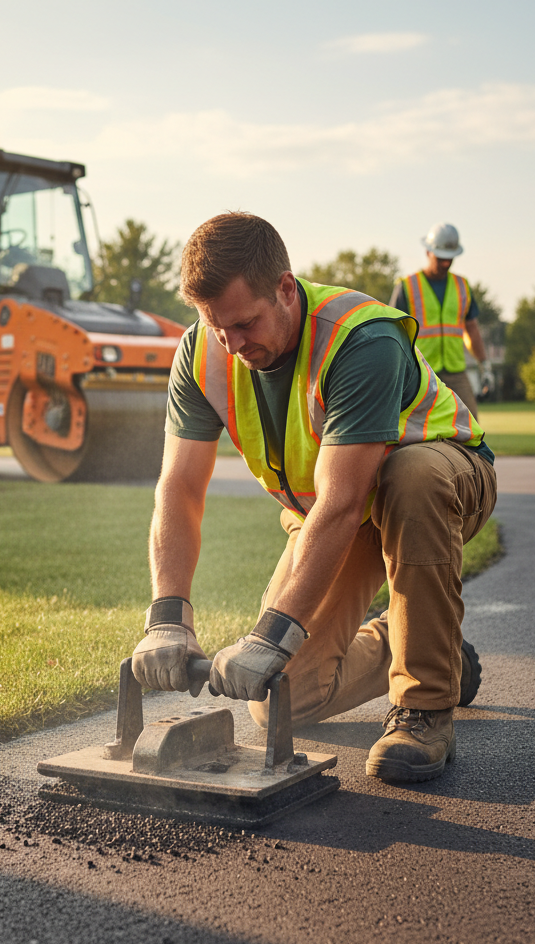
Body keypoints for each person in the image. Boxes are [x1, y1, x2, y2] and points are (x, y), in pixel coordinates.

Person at [131, 213, 497, 783]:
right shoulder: (205, 353)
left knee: (410, 476)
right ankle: (430, 648)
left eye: (246, 323)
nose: (233, 344)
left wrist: (270, 634)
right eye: (215, 324)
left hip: (441, 479)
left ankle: (424, 708)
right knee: (286, 696)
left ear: (284, 288)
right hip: (331, 511)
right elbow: (178, 488)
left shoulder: (361, 338)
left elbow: (346, 500)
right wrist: (168, 619)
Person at [389, 223, 493, 419]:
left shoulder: (462, 286)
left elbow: (471, 329)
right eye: (441, 258)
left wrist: (485, 366)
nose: (446, 263)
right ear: (428, 252)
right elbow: (393, 332)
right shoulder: (407, 286)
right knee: (411, 424)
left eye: (450, 258)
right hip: (420, 371)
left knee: (471, 425)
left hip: (455, 370)